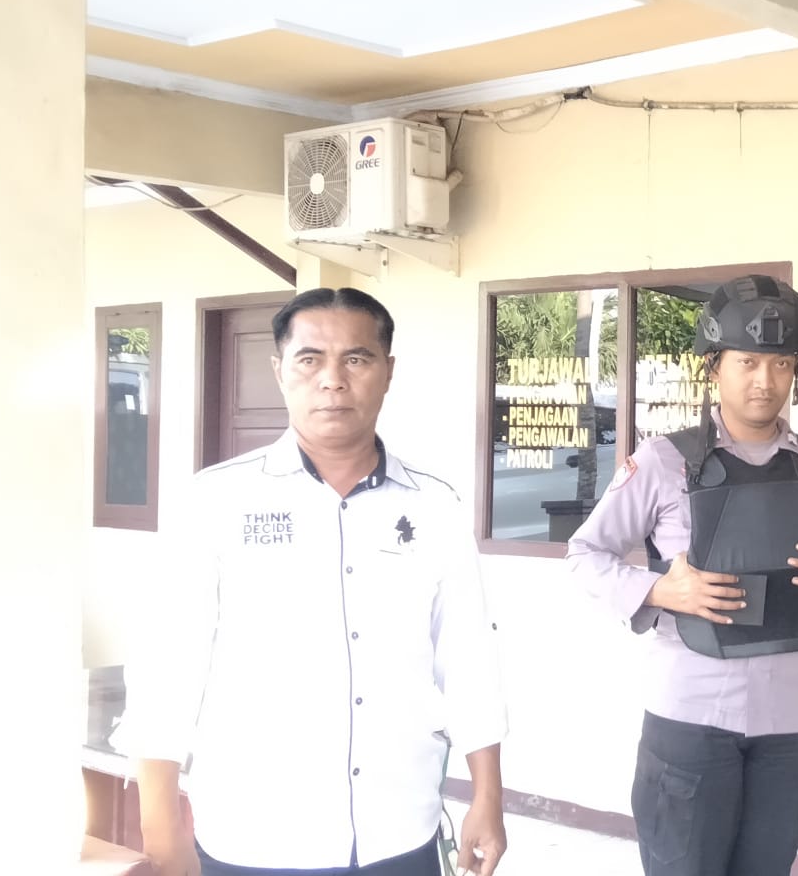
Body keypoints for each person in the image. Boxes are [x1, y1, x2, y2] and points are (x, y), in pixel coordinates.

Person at [116, 288, 508, 876]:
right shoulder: (215, 500)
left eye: (357, 358)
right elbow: (166, 668)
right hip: (256, 838)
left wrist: (488, 796)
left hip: (400, 829)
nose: (333, 380)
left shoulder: (435, 507)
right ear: (279, 371)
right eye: (310, 359)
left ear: (388, 371)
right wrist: (161, 827)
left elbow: (469, 658)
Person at [566, 274, 798, 876]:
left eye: (782, 363)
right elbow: (585, 554)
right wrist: (658, 589)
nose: (766, 380)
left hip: (790, 725)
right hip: (692, 725)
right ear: (714, 366)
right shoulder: (663, 462)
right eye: (747, 362)